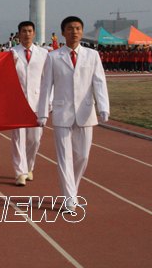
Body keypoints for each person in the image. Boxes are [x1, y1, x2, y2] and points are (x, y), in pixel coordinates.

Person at [38, 16, 110, 212]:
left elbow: (99, 82)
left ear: (82, 31)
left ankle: (72, 190)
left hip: (85, 112)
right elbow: (46, 86)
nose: (74, 32)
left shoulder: (92, 55)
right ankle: (69, 197)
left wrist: (103, 106)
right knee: (64, 158)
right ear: (63, 32)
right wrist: (43, 112)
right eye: (70, 28)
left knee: (82, 157)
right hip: (62, 112)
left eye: (78, 28)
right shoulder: (53, 57)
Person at [10, 21, 48, 186]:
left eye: (30, 31)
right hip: (17, 102)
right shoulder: (11, 53)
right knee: (18, 139)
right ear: (19, 34)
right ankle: (20, 172)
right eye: (24, 31)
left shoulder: (43, 54)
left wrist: (48, 102)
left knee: (35, 139)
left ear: (34, 33)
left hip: (37, 102)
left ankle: (29, 167)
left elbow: (48, 80)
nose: (27, 34)